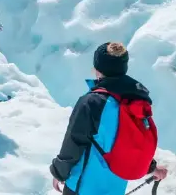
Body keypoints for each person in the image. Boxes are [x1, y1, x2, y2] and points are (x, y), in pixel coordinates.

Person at [50, 42, 168, 195]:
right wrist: (151, 167)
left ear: (98, 70)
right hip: (115, 187)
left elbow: (73, 144)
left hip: (84, 186)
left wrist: (59, 173)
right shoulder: (136, 100)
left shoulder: (93, 102)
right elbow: (131, 143)